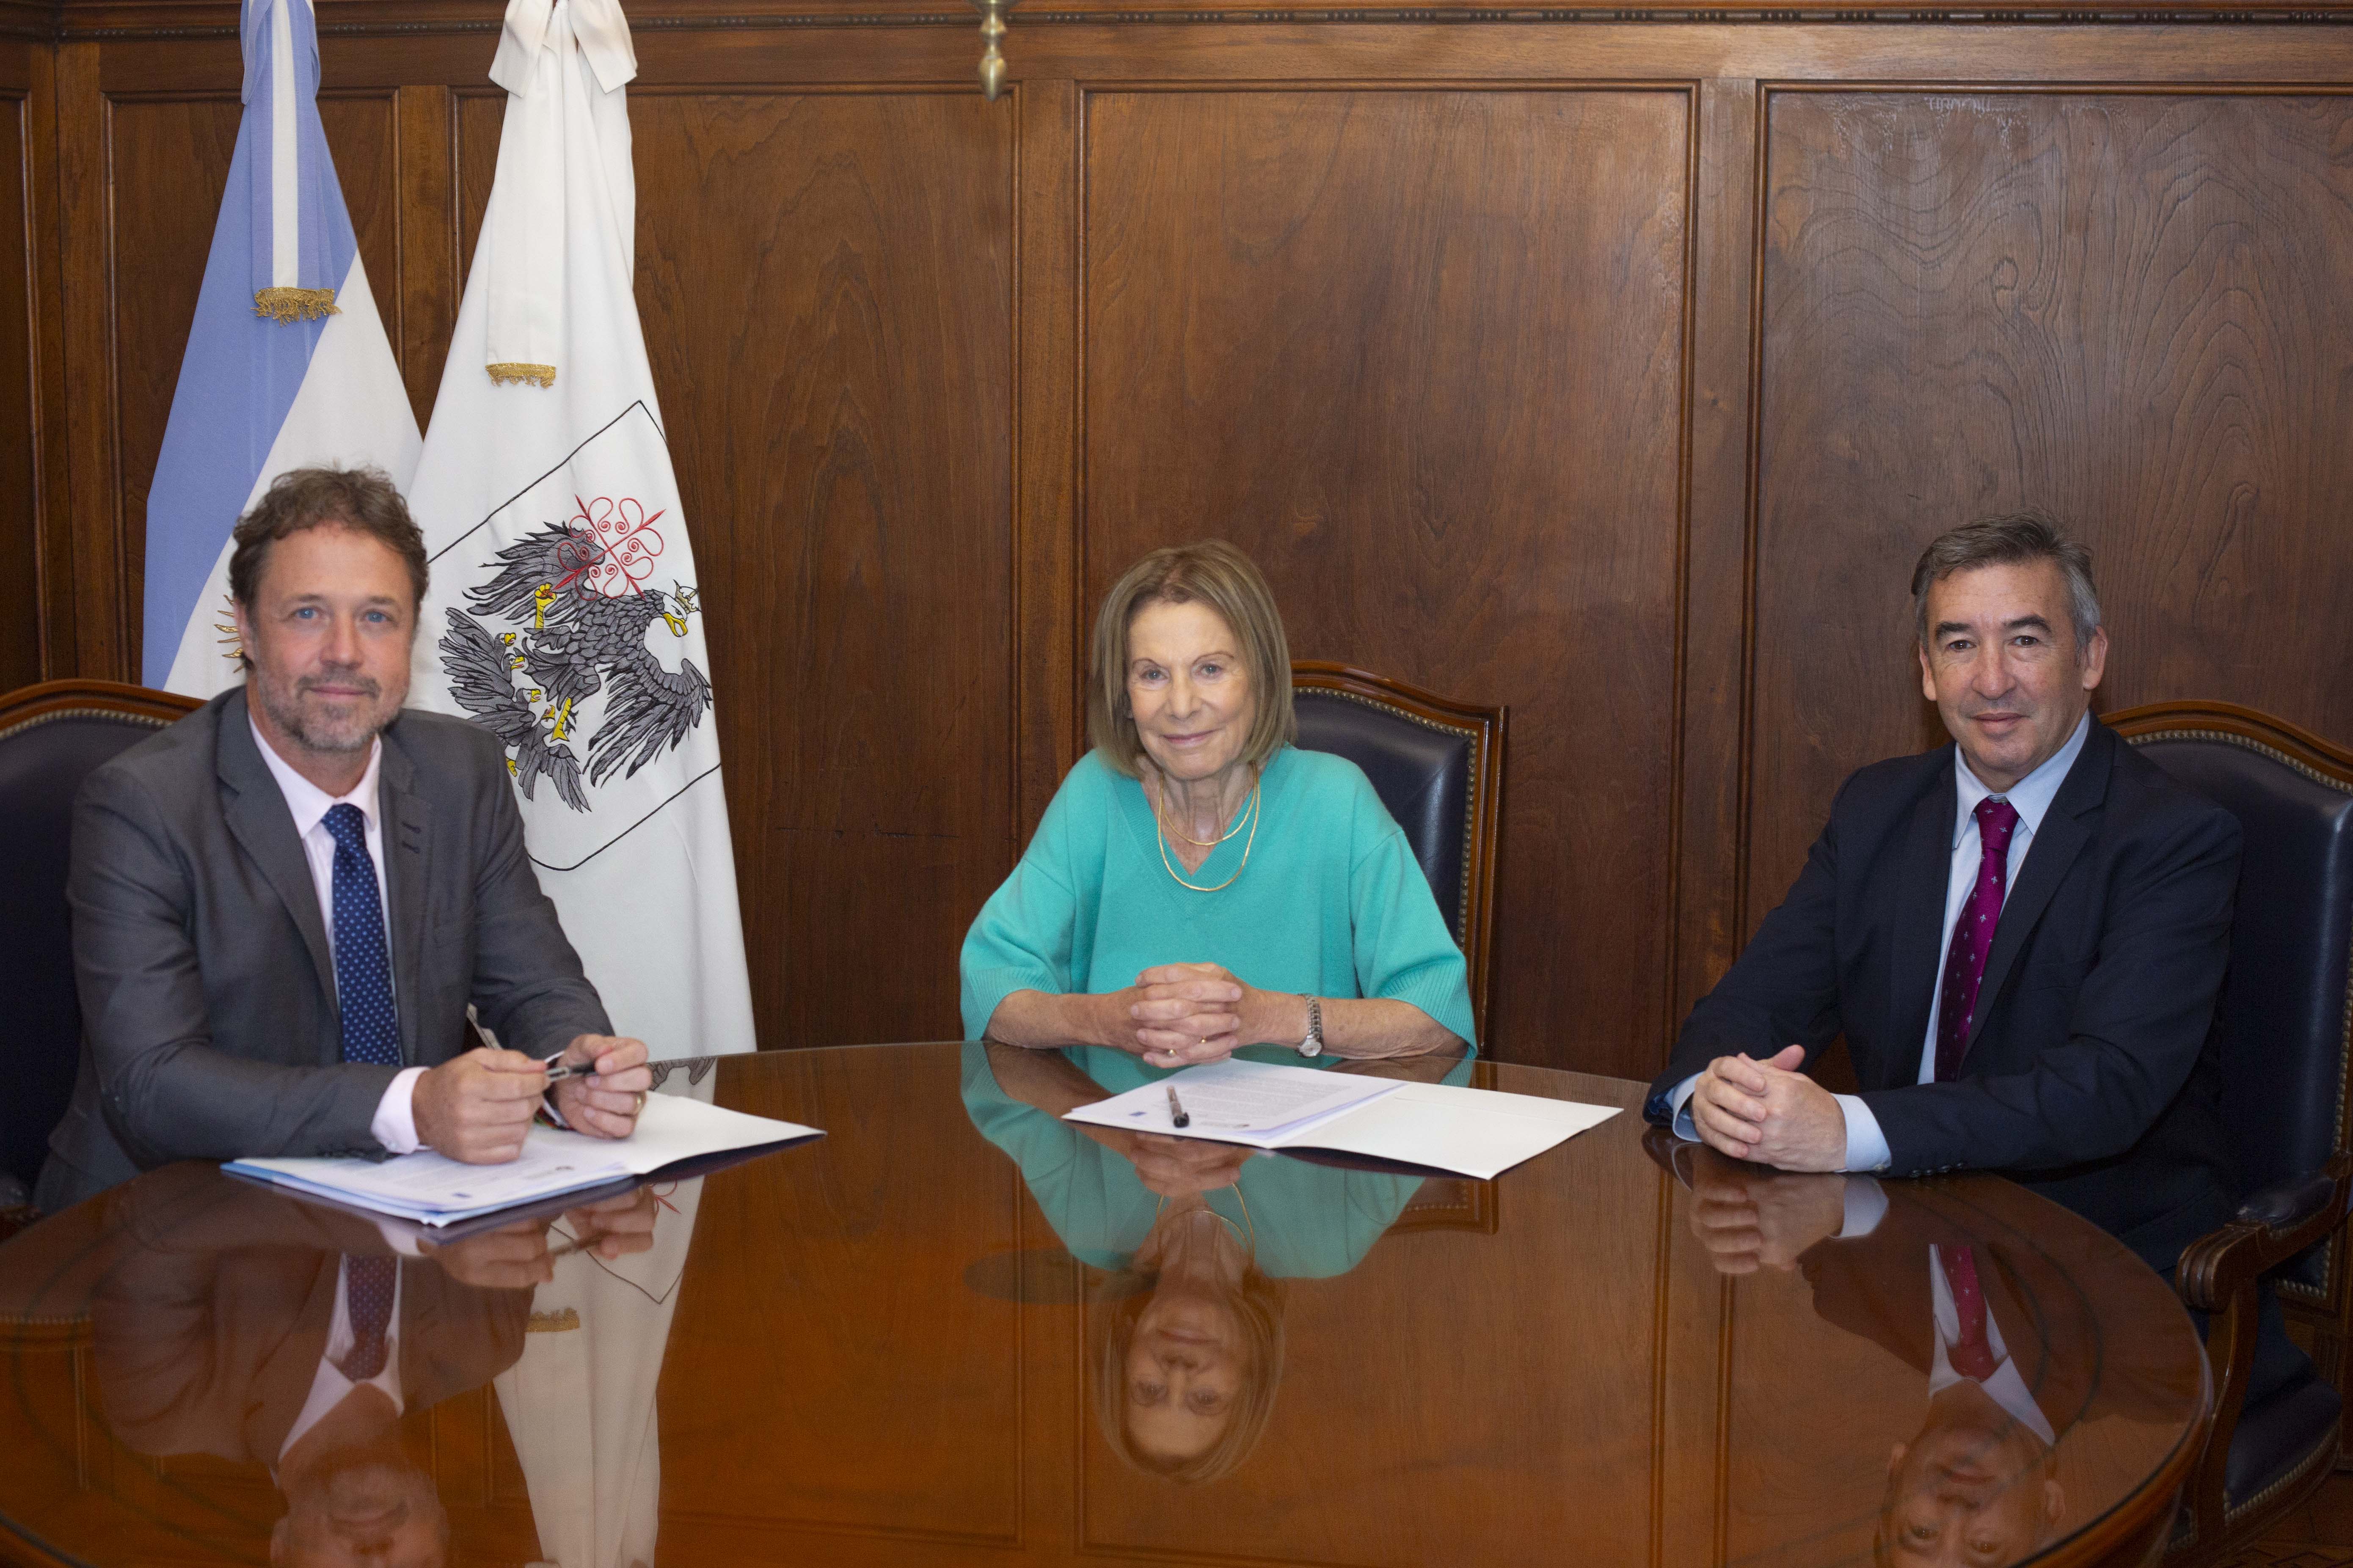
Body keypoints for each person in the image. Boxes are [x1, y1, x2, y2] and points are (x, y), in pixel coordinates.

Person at [36, 467, 655, 1214]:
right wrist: (412, 1105)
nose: (344, 653)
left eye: (376, 618)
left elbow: (535, 984)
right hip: (166, 1229)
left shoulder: (462, 772)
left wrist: (572, 1068)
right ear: (246, 627)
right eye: (306, 614)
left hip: (408, 1211)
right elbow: (155, 1084)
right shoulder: (141, 806)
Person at [1646, 512, 2241, 1278]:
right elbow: (1750, 1007)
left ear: (2091, 657)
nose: (1992, 680)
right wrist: (1712, 1094)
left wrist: (1849, 1130)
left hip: (2096, 1277)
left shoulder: (2175, 838)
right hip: (1885, 1266)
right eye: (1960, 644)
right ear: (1926, 671)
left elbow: (2105, 1089)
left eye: (2026, 640)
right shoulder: (1875, 812)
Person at [960, 539, 1474, 1088]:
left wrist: (1269, 1016)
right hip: (1122, 1153)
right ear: (1123, 694)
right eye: (1152, 674)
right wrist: (1109, 1021)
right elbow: (992, 986)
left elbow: (1438, 1020)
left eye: (1210, 669)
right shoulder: (1095, 793)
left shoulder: (1337, 802)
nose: (1181, 706)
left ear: (1260, 676)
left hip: (1300, 1161)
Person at [87, 1164, 659, 1568]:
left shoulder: (168, 1409)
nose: (378, 1560)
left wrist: (410, 1231)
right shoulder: (485, 1339)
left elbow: (150, 1215)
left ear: (280, 1549)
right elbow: (508, 1168)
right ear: (439, 1521)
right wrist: (592, 1189)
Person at [1668, 1146, 2198, 1568]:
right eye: (1985, 1549)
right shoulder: (2130, 1362)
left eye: (1921, 1533)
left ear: (1894, 1472)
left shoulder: (1842, 1292)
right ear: (2051, 1507)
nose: (1954, 1512)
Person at [964, 1040, 1460, 1483]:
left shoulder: (1091, 1226)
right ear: (1252, 1372)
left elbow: (996, 1074)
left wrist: (1119, 1133)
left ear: (1124, 1354)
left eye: (1148, 1389)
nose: (1178, 1372)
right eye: (1205, 1399)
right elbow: (1437, 1076)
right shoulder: (1331, 1239)